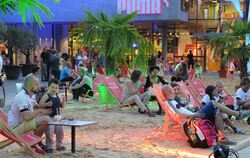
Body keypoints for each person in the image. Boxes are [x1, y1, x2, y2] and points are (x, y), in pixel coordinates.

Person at [7, 74, 52, 154]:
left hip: (23, 123)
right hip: (15, 128)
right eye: (37, 84)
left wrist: (47, 105)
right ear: (29, 85)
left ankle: (36, 141)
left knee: (46, 117)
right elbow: (26, 117)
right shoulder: (22, 97)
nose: (39, 86)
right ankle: (34, 143)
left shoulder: (31, 94)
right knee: (45, 119)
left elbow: (36, 106)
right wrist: (40, 111)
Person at [39, 78, 67, 153]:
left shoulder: (57, 96)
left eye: (56, 88)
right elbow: (40, 105)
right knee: (50, 132)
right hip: (49, 117)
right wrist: (47, 104)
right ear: (48, 87)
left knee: (60, 131)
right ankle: (49, 146)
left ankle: (59, 144)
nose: (54, 89)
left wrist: (64, 101)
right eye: (52, 87)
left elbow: (62, 106)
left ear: (58, 89)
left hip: (57, 117)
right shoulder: (47, 95)